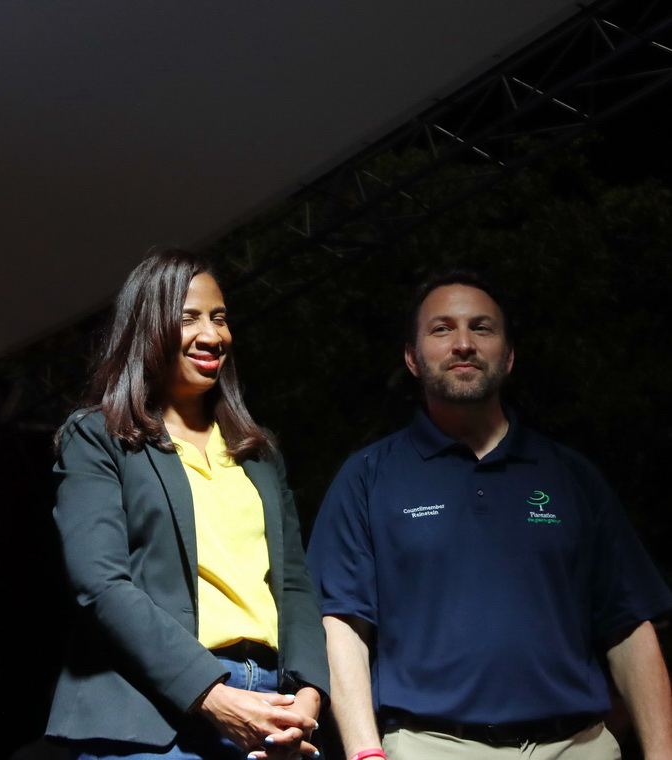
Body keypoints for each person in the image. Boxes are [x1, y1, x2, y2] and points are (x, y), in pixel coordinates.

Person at [307, 270, 672, 760]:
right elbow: (342, 627)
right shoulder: (368, 476)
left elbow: (628, 625)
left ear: (510, 354)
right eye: (442, 329)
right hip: (429, 746)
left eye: (482, 328)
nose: (463, 343)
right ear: (413, 358)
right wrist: (364, 753)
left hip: (577, 746)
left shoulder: (571, 476)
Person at [45, 248, 329, 760]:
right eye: (189, 318)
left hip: (271, 705)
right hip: (147, 714)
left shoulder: (258, 452)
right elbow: (100, 584)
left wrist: (306, 698)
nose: (212, 334)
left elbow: (293, 584)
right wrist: (211, 694)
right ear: (147, 330)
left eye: (219, 318)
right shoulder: (99, 437)